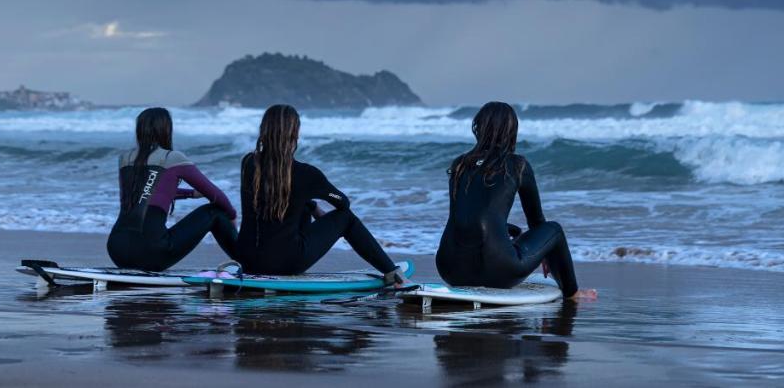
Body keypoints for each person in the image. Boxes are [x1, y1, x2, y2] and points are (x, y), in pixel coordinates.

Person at [436, 101, 596, 301]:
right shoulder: (517, 165)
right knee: (554, 230)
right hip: (497, 272)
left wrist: (511, 231)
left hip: (451, 270)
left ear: (478, 128)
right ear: (512, 131)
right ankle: (573, 294)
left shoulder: (459, 164)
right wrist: (546, 251)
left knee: (508, 230)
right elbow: (537, 222)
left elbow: (466, 216)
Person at [236, 104, 405, 282]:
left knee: (302, 205)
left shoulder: (248, 163)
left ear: (263, 130)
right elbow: (342, 203)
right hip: (284, 264)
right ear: (295, 134)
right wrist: (318, 201)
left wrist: (311, 204)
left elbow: (276, 192)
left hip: (246, 261)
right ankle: (393, 274)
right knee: (346, 218)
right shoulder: (307, 175)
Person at [107, 106, 238, 271]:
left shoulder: (124, 158)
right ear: (166, 129)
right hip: (151, 252)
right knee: (214, 212)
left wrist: (190, 194)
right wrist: (232, 216)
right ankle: (245, 260)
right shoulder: (172, 158)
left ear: (140, 129)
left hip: (117, 250)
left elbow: (145, 194)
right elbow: (215, 194)